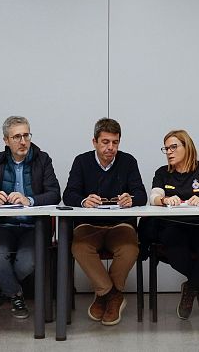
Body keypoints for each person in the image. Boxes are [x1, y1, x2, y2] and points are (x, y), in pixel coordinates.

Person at [62, 118, 147, 326]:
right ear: (94, 142)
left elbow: (141, 194)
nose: (110, 148)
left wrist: (132, 199)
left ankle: (102, 296)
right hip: (89, 225)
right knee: (80, 247)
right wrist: (83, 201)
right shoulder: (81, 161)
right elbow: (68, 194)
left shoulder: (128, 161)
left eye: (115, 143)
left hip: (120, 225)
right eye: (105, 142)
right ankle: (112, 294)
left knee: (129, 248)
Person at [0, 116, 60, 319]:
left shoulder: (43, 159)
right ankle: (15, 293)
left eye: (26, 135)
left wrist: (30, 200)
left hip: (34, 226)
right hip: (4, 225)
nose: (23, 141)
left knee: (26, 262)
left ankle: (3, 289)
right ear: (6, 140)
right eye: (17, 137)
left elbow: (55, 193)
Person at [149, 129, 199, 320]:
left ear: (187, 147)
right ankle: (198, 283)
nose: (169, 152)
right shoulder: (162, 173)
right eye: (166, 148)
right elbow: (153, 197)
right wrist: (164, 200)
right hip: (173, 225)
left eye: (174, 147)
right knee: (172, 245)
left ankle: (190, 287)